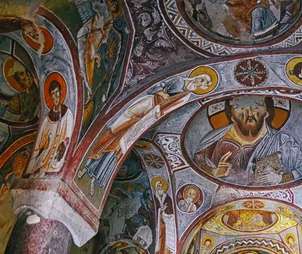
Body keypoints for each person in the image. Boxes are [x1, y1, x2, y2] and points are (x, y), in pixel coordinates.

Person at [79, 73, 212, 195]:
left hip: (150, 117)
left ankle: (96, 178)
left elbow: (169, 109)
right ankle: (86, 165)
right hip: (147, 104)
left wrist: (157, 114)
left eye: (203, 85)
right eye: (201, 80)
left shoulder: (186, 96)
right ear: (197, 76)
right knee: (114, 131)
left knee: (119, 147)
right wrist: (162, 94)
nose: (199, 84)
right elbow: (158, 86)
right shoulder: (178, 79)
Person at [193, 96, 302, 186]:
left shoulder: (282, 140)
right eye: (240, 107)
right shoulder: (214, 139)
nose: (250, 113)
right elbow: (196, 164)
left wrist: (280, 179)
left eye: (257, 105)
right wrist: (214, 172)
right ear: (232, 115)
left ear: (266, 113)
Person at [28, 79, 74, 175]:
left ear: (61, 93)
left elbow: (68, 137)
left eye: (57, 92)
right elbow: (39, 144)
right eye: (53, 94)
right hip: (46, 158)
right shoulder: (47, 119)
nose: (55, 96)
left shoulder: (68, 114)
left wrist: (63, 144)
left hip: (59, 159)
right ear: (50, 96)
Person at [153, 178, 175, 254]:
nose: (160, 188)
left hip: (166, 227)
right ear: (156, 188)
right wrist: (160, 210)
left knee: (166, 249)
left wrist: (165, 211)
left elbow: (171, 211)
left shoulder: (168, 198)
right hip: (158, 227)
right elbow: (152, 210)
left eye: (162, 187)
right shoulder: (154, 198)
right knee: (157, 250)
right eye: (158, 187)